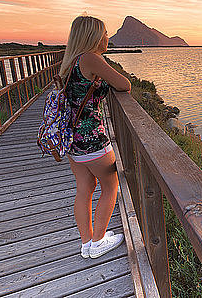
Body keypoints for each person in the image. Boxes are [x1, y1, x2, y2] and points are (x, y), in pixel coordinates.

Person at [58, 15, 132, 258]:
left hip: (73, 140)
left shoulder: (70, 61)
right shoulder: (91, 58)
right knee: (111, 187)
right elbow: (124, 85)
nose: (107, 37)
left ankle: (87, 243)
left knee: (85, 187)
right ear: (94, 37)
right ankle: (98, 241)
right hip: (93, 139)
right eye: (104, 33)